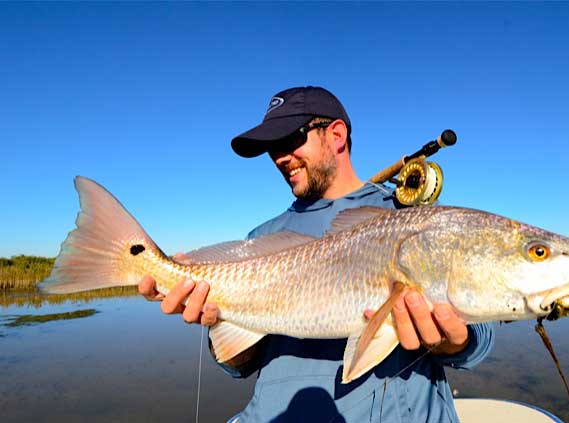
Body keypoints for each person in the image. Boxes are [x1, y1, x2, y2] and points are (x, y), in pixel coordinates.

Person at [139, 86, 495, 422]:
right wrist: (213, 317)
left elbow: (480, 335)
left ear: (337, 135)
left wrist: (456, 341)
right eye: (271, 148)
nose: (280, 157)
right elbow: (239, 363)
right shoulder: (262, 237)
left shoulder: (405, 218)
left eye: (291, 139)